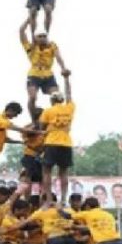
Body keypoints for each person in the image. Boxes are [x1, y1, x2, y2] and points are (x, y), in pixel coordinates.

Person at [39, 71, 75, 206]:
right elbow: (69, 94)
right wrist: (66, 79)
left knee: (47, 171)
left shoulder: (48, 111)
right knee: (64, 172)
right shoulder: (70, 108)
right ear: (62, 99)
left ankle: (48, 199)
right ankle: (64, 199)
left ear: (52, 100)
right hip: (66, 142)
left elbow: (42, 127)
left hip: (52, 142)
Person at [20, 24, 69, 109]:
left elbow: (58, 57)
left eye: (44, 36)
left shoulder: (52, 45)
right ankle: (33, 115)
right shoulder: (30, 47)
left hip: (48, 74)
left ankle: (55, 114)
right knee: (32, 97)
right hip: (34, 74)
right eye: (40, 36)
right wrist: (29, 18)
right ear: (35, 38)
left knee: (57, 97)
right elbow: (21, 31)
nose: (42, 38)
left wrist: (63, 68)